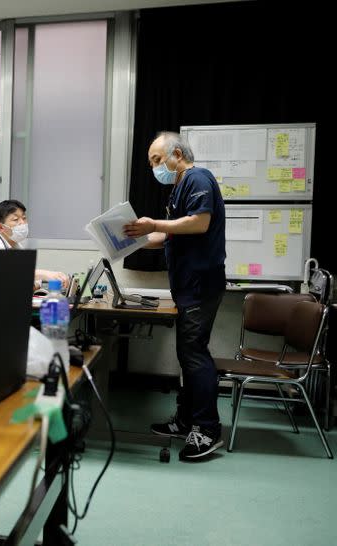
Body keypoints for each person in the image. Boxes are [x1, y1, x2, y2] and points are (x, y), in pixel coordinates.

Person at [123, 131, 226, 461]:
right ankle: (186, 421)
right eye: (151, 162)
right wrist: (132, 239)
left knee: (194, 354)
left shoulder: (197, 177)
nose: (155, 168)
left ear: (177, 154)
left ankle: (207, 429)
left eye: (157, 160)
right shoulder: (179, 187)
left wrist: (155, 223)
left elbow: (198, 224)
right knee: (187, 354)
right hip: (188, 284)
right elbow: (167, 237)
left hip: (200, 283)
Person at [0, 199, 69, 290]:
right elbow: (6, 274)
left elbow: (33, 281)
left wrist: (33, 280)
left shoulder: (17, 246)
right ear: (1, 227)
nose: (22, 223)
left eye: (24, 218)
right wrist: (44, 274)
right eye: (15, 219)